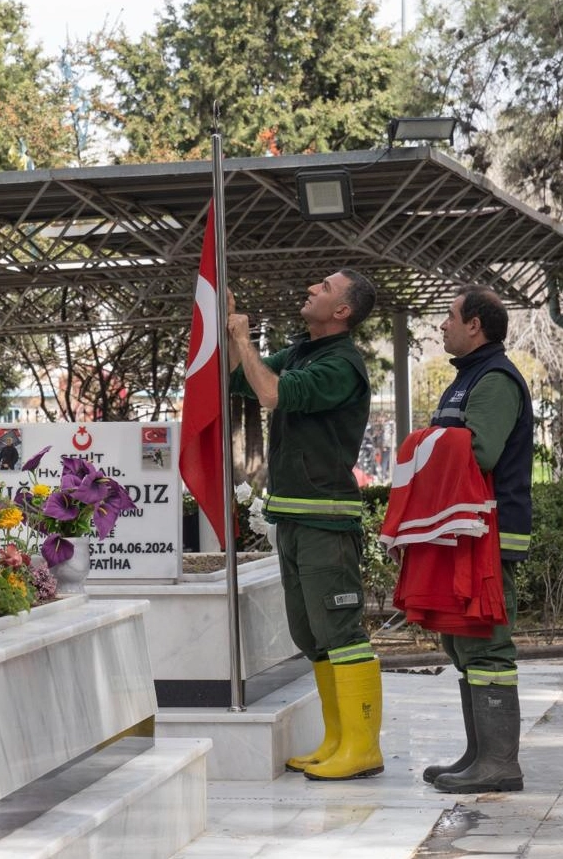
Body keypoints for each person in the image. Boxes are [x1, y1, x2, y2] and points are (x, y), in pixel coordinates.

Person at [227, 270, 381, 781]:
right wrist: (224, 328)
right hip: (294, 514)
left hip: (326, 519)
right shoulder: (302, 352)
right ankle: (337, 740)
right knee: (312, 634)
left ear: (342, 311)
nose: (311, 287)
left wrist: (245, 338)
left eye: (324, 287)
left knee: (341, 630)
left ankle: (362, 747)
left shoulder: (341, 365)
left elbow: (270, 395)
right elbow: (239, 380)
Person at [422, 285, 531, 793]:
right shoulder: (469, 377)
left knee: (486, 644)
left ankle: (500, 764)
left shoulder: (494, 380)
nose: (442, 325)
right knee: (461, 640)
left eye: (450, 316)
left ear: (475, 326)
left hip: (488, 533)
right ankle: (480, 754)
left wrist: (425, 442)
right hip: (463, 529)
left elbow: (480, 452)